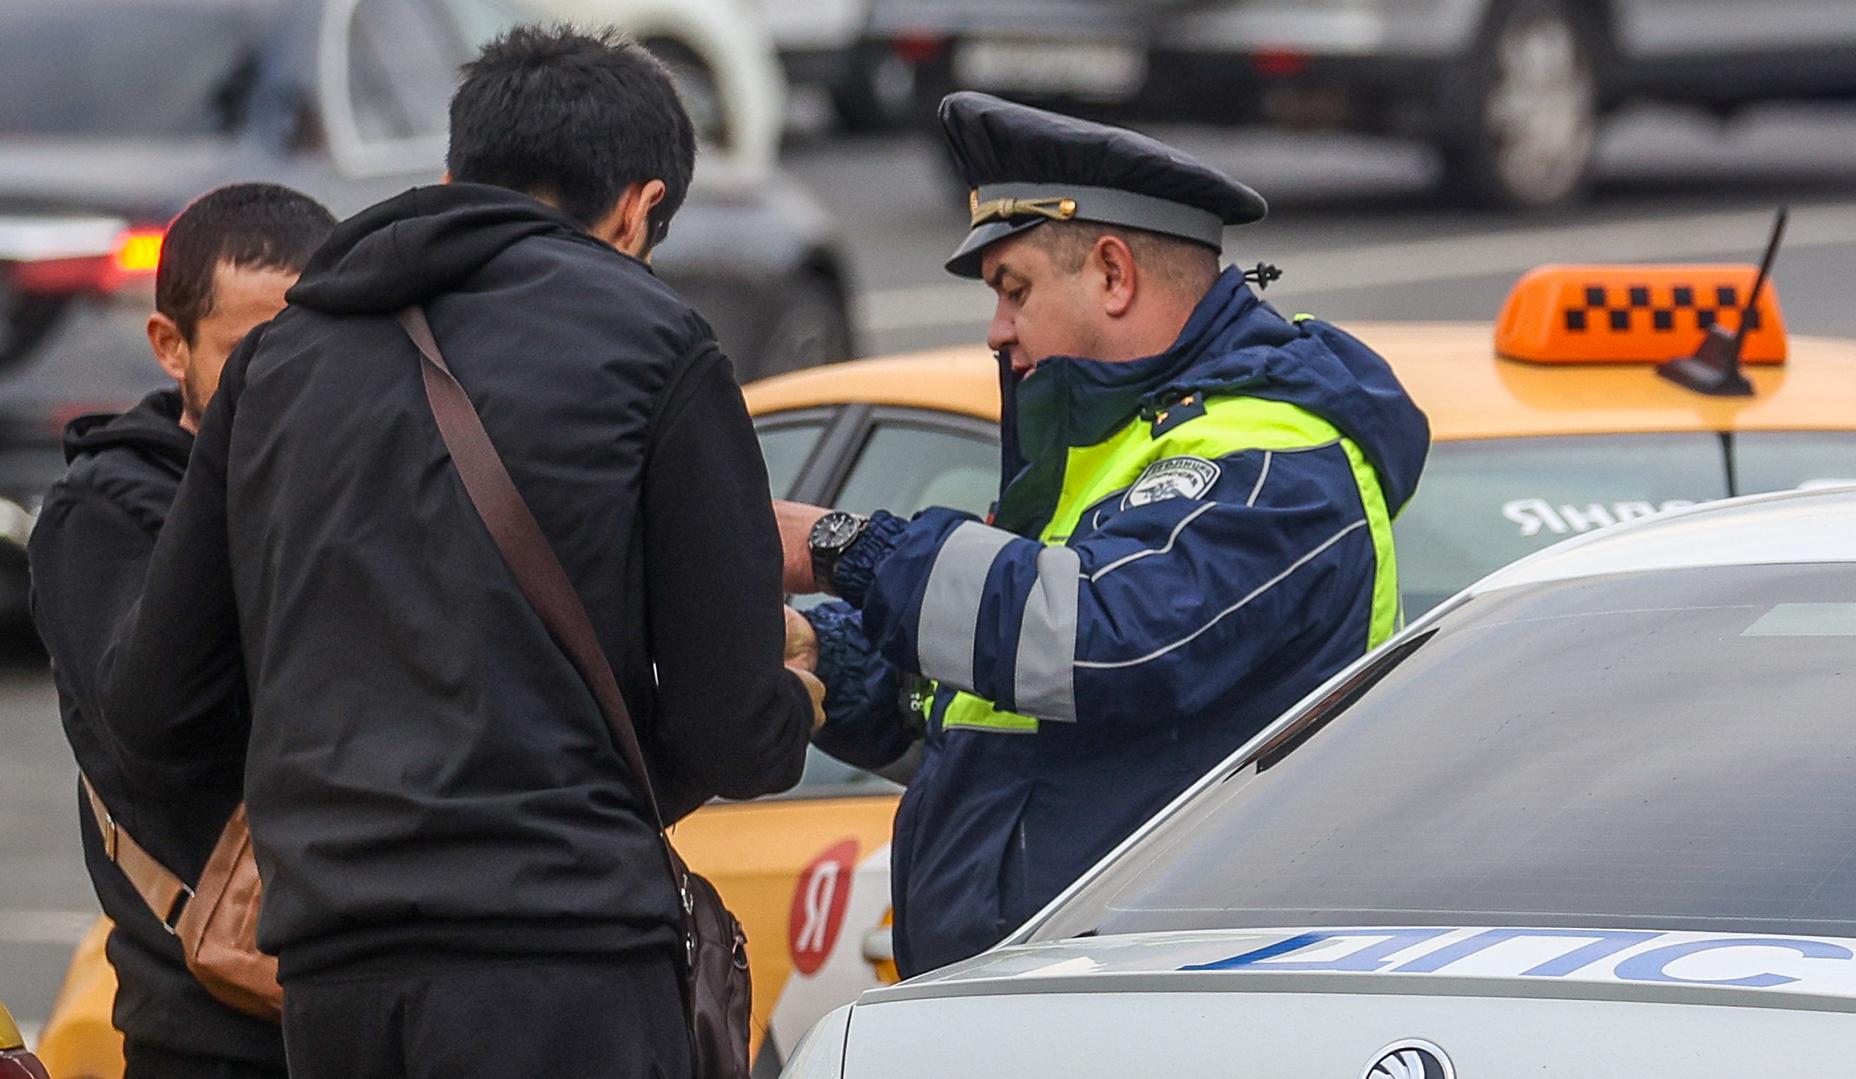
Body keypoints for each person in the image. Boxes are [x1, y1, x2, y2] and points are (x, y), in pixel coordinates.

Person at [95, 26, 819, 1079]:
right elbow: (731, 722)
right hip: (561, 963)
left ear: (451, 173)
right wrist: (796, 698)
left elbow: (153, 706)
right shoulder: (657, 343)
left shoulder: (281, 362)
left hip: (335, 973)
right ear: (639, 207)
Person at [781, 92, 1432, 976]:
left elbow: (1103, 642)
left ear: (1114, 274)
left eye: (1015, 290)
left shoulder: (1276, 459)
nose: (997, 329)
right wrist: (826, 651)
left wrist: (845, 546)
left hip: (1175, 1008)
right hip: (1050, 1002)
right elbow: (996, 705)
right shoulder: (1123, 442)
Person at [29, 182, 336, 1079]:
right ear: (171, 346)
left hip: (371, 1011)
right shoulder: (105, 516)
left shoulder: (357, 482)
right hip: (208, 1029)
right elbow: (156, 727)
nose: (283, 386)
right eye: (250, 361)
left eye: (310, 352)